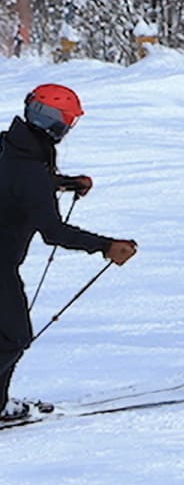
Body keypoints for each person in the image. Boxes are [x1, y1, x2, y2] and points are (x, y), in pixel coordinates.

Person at [0, 84, 138, 422]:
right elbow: (54, 232)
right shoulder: (31, 170)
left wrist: (64, 183)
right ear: (56, 124)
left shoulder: (10, 144)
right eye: (67, 122)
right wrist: (107, 246)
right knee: (14, 337)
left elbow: (17, 183)